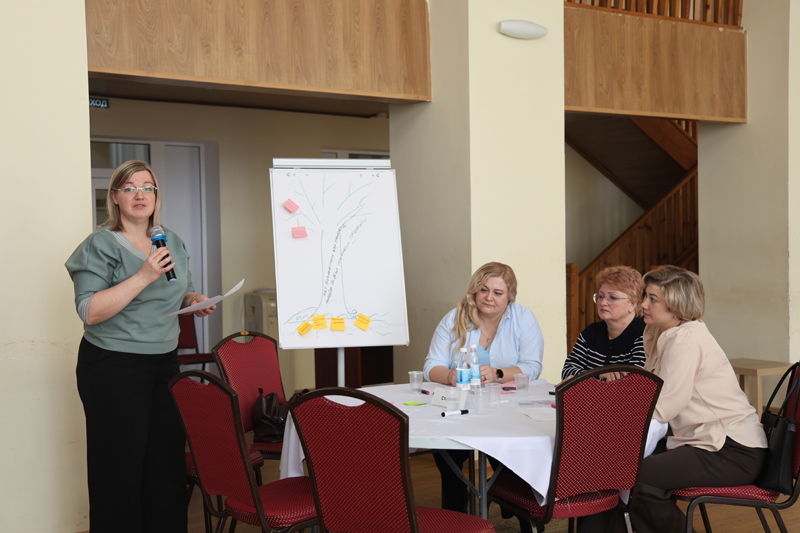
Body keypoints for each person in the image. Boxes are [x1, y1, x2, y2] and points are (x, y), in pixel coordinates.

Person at [65, 160, 216, 533]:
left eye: (147, 187)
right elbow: (89, 310)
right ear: (115, 197)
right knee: (119, 470)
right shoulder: (100, 244)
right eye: (129, 188)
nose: (140, 195)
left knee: (165, 466)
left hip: (164, 363)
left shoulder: (171, 240)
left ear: (156, 196)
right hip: (113, 367)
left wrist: (193, 300)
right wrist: (144, 275)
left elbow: (179, 290)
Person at [579, 266, 767, 533]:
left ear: (677, 307)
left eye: (653, 299)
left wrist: (607, 412)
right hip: (701, 442)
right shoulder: (659, 333)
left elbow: (664, 406)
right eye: (646, 296)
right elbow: (647, 391)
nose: (643, 304)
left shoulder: (686, 339)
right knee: (615, 472)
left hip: (729, 449)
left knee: (634, 480)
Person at [423, 262, 544, 513]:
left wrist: (499, 373)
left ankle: (513, 503)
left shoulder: (523, 318)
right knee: (445, 449)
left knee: (508, 449)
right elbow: (431, 366)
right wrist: (450, 375)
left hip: (506, 408)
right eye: (483, 290)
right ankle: (456, 506)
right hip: (461, 406)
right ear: (475, 291)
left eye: (498, 293)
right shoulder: (454, 318)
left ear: (510, 296)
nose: (489, 298)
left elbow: (532, 366)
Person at [561, 265, 645, 381]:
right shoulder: (591, 332)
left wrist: (585, 379)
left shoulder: (644, 333)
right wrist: (599, 375)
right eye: (600, 296)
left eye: (613, 297)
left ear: (633, 304)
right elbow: (567, 372)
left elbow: (633, 380)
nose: (603, 302)